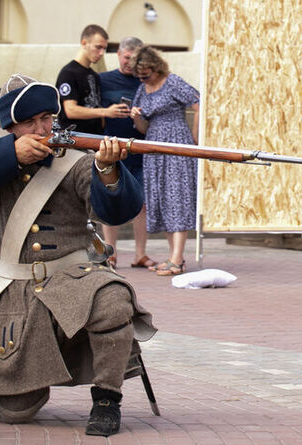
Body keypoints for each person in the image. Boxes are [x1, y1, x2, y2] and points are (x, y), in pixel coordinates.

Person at [0, 75, 156, 436]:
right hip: (15, 289)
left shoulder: (75, 161)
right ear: (12, 128)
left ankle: (107, 399)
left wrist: (108, 169)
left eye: (47, 118)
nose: (43, 128)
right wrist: (10, 155)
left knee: (114, 299)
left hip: (73, 279)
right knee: (13, 412)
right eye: (31, 122)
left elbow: (117, 213)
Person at [129, 46, 200, 276]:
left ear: (156, 67)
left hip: (176, 143)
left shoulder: (173, 82)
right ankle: (173, 256)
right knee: (161, 198)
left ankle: (177, 259)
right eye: (139, 76)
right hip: (154, 146)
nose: (143, 79)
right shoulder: (142, 89)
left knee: (177, 196)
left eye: (146, 74)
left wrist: (196, 139)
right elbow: (142, 127)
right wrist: (137, 117)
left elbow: (198, 103)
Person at [100, 36, 154, 270]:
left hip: (140, 149)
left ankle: (140, 254)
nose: (130, 63)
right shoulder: (102, 80)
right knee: (110, 198)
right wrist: (108, 112)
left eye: (135, 59)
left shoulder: (146, 83)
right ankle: (110, 254)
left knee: (141, 204)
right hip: (112, 148)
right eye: (126, 58)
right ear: (118, 55)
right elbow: (92, 110)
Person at [56, 24, 130, 135]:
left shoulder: (94, 75)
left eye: (104, 48)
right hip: (75, 140)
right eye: (98, 47)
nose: (101, 53)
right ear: (84, 43)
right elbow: (70, 110)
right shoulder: (69, 73)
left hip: (95, 139)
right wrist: (106, 112)